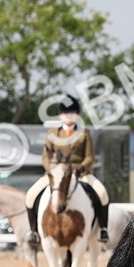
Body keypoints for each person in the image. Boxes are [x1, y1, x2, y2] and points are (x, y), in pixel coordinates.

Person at [25, 95, 111, 249]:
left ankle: (102, 229)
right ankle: (34, 231)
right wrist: (52, 170)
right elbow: (46, 156)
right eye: (65, 113)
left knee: (102, 193)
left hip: (80, 173)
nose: (68, 116)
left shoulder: (84, 133)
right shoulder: (53, 133)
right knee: (31, 195)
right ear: (60, 115)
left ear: (77, 115)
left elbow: (89, 157)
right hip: (57, 175)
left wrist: (81, 167)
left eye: (72, 113)